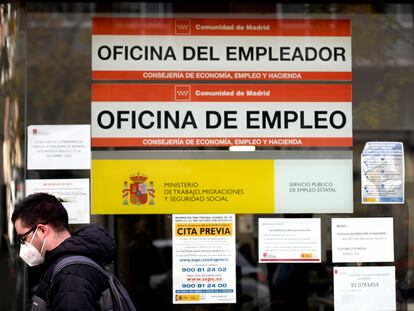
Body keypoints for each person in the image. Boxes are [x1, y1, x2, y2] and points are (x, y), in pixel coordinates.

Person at [12, 192, 117, 310]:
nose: (23, 246)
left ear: (41, 230)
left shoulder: (71, 276)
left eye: (23, 238)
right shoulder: (69, 266)